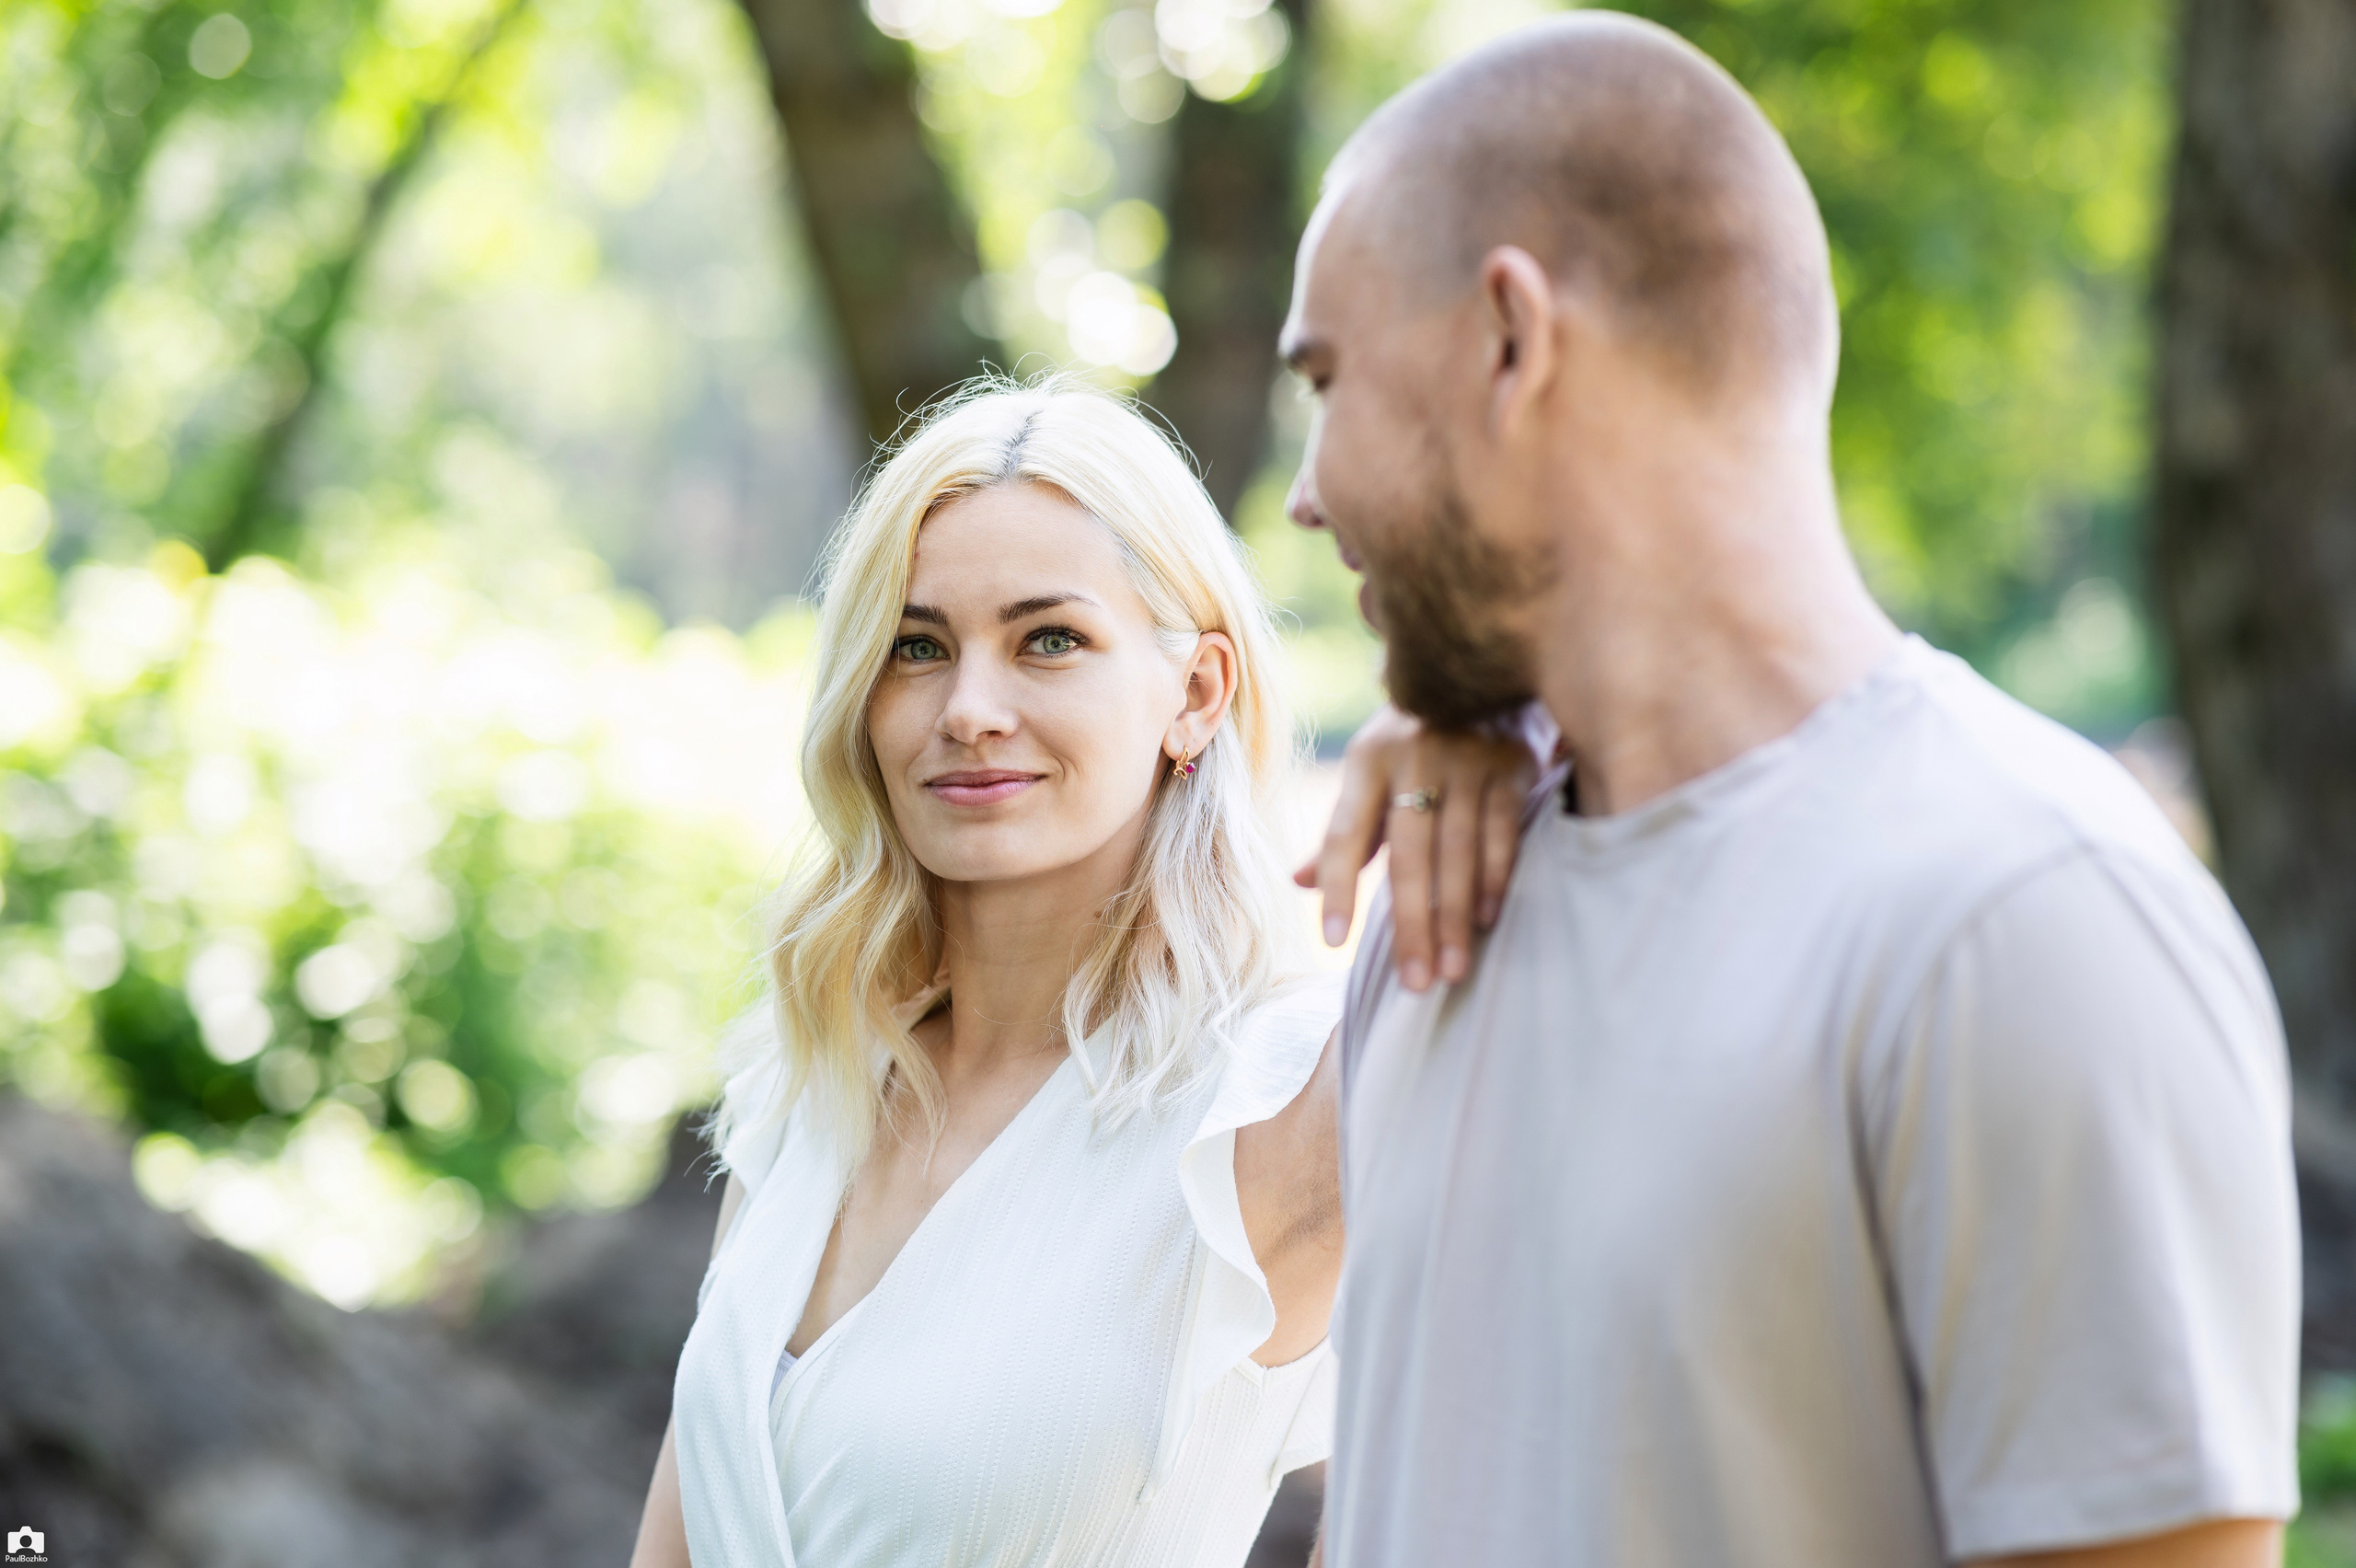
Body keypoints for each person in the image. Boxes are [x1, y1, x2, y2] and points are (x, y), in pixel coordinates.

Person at [1285, 14, 2301, 1568]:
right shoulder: (1448, 902)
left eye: (1327, 379)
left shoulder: (2022, 922)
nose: (1304, 491)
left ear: (1510, 339)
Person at [626, 376, 1537, 1568]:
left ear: (1197, 694)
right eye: (916, 646)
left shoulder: (1270, 1109)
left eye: (1049, 640)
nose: (970, 709)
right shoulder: (807, 1086)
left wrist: (1477, 720)